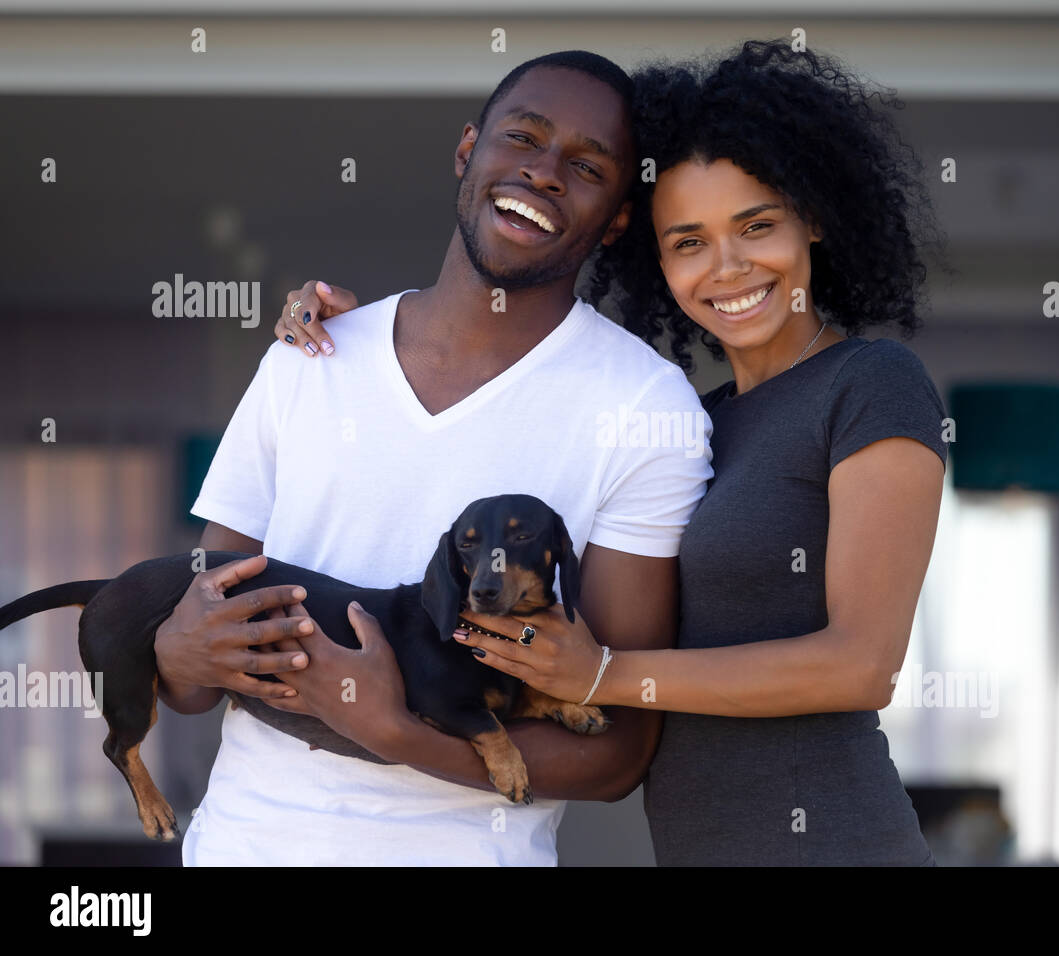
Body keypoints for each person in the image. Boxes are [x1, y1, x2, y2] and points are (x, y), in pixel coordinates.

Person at [279, 40, 950, 866]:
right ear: (653, 258)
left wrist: (603, 675)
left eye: (757, 226)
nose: (727, 267)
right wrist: (365, 335)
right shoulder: (692, 425)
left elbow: (861, 666)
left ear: (812, 217)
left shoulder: (873, 383)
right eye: (688, 241)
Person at [154, 51, 714, 866]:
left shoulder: (645, 409)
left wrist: (396, 733)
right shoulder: (309, 357)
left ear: (619, 217)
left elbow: (618, 752)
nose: (545, 173)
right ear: (468, 152)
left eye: (586, 166)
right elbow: (199, 668)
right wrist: (172, 654)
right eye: (523, 137)